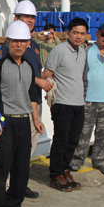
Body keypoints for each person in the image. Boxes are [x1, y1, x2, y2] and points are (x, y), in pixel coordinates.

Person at [0, 21, 43, 207]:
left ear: (29, 43)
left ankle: (14, 203)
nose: (18, 45)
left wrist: (36, 119)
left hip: (24, 121)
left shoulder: (28, 67)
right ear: (8, 42)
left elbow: (32, 96)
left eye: (23, 41)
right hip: (5, 121)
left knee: (21, 166)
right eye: (15, 41)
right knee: (1, 167)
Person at [1, 0, 53, 198]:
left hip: (33, 104)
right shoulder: (12, 45)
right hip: (18, 106)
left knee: (27, 149)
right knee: (14, 150)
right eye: (26, 17)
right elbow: (15, 72)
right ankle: (7, 187)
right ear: (16, 19)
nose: (30, 21)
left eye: (32, 17)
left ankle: (19, 184)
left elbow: (34, 71)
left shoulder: (33, 46)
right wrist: (39, 81)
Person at [70, 23, 104, 176]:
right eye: (103, 35)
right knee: (83, 132)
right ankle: (77, 160)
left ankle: (100, 161)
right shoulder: (86, 51)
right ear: (98, 34)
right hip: (88, 99)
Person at [42, 17, 89, 192]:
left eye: (82, 33)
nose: (78, 36)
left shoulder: (83, 51)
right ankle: (55, 175)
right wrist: (51, 94)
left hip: (78, 103)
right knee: (61, 140)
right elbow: (47, 73)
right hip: (62, 102)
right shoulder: (58, 51)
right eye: (75, 33)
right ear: (68, 33)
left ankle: (64, 170)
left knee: (73, 140)